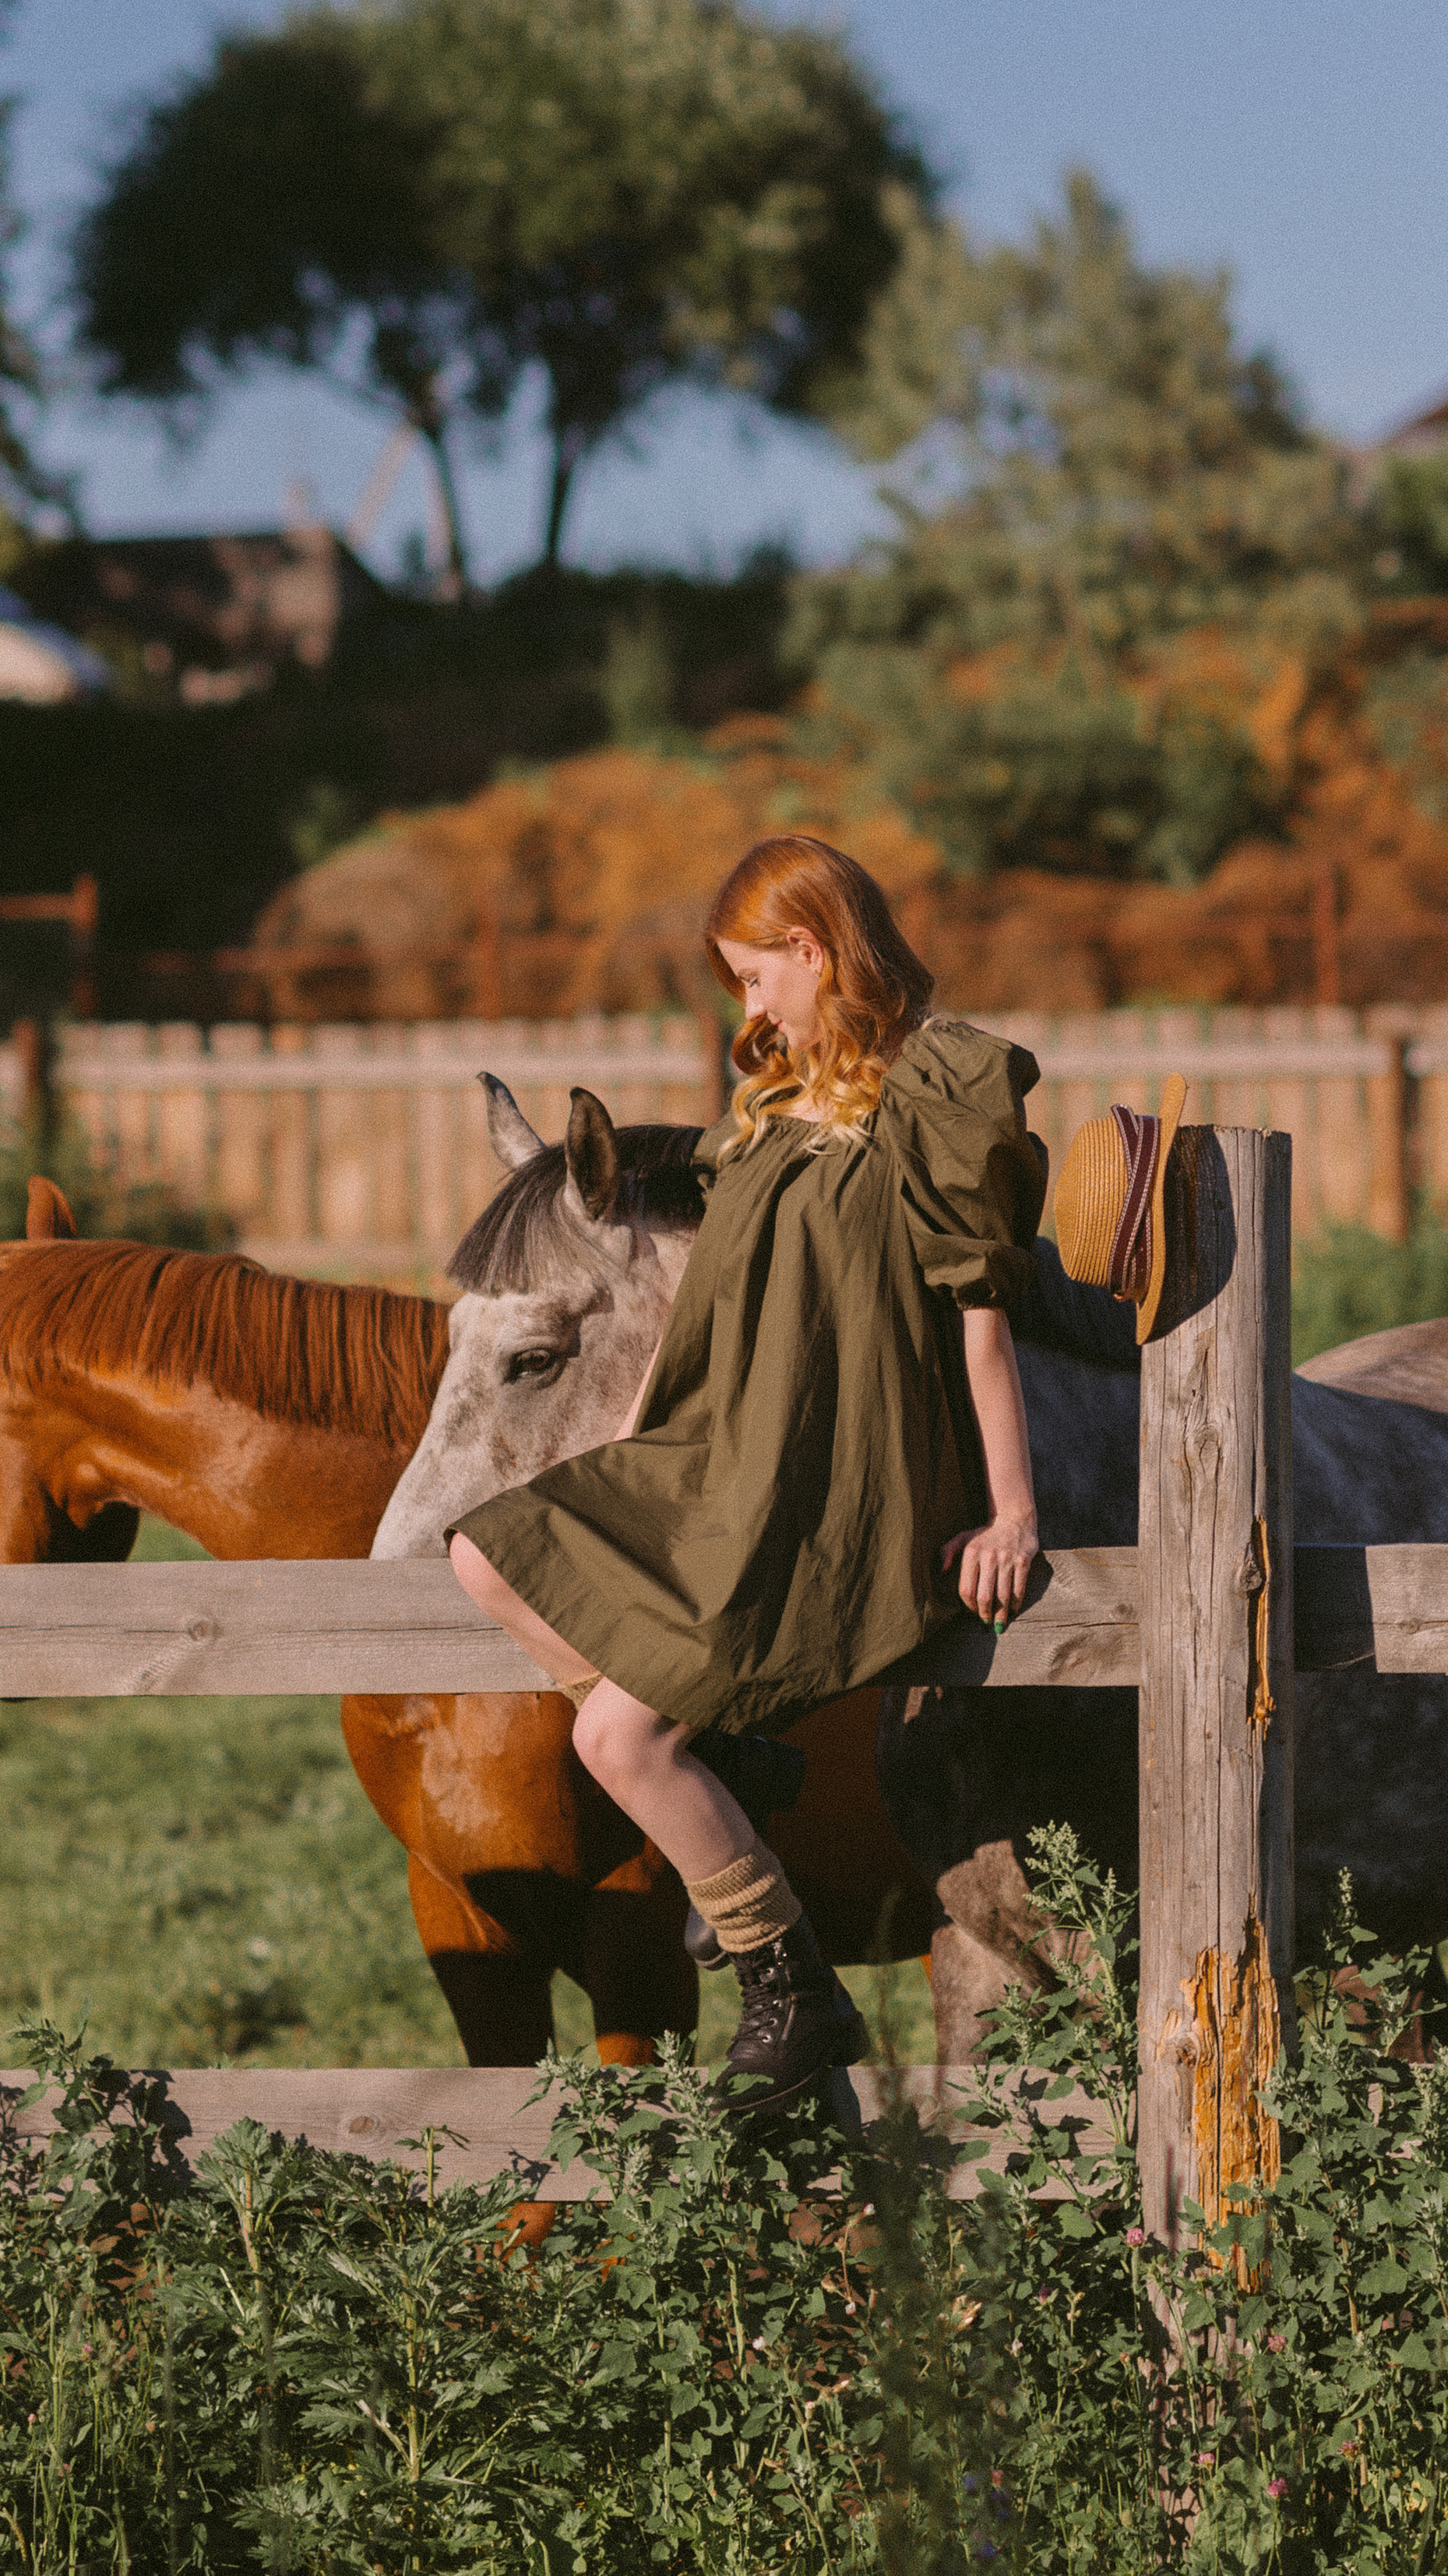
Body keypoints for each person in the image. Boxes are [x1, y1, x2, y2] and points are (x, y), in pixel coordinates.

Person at [446, 833, 1046, 2114]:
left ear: (813, 951)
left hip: (835, 1470)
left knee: (614, 1731)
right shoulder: (771, 1108)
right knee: (485, 1550)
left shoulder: (941, 1087)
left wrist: (1011, 1508)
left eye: (754, 977)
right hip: (727, 1448)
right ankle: (726, 1745)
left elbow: (981, 1314)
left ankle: (791, 1982)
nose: (748, 1006)